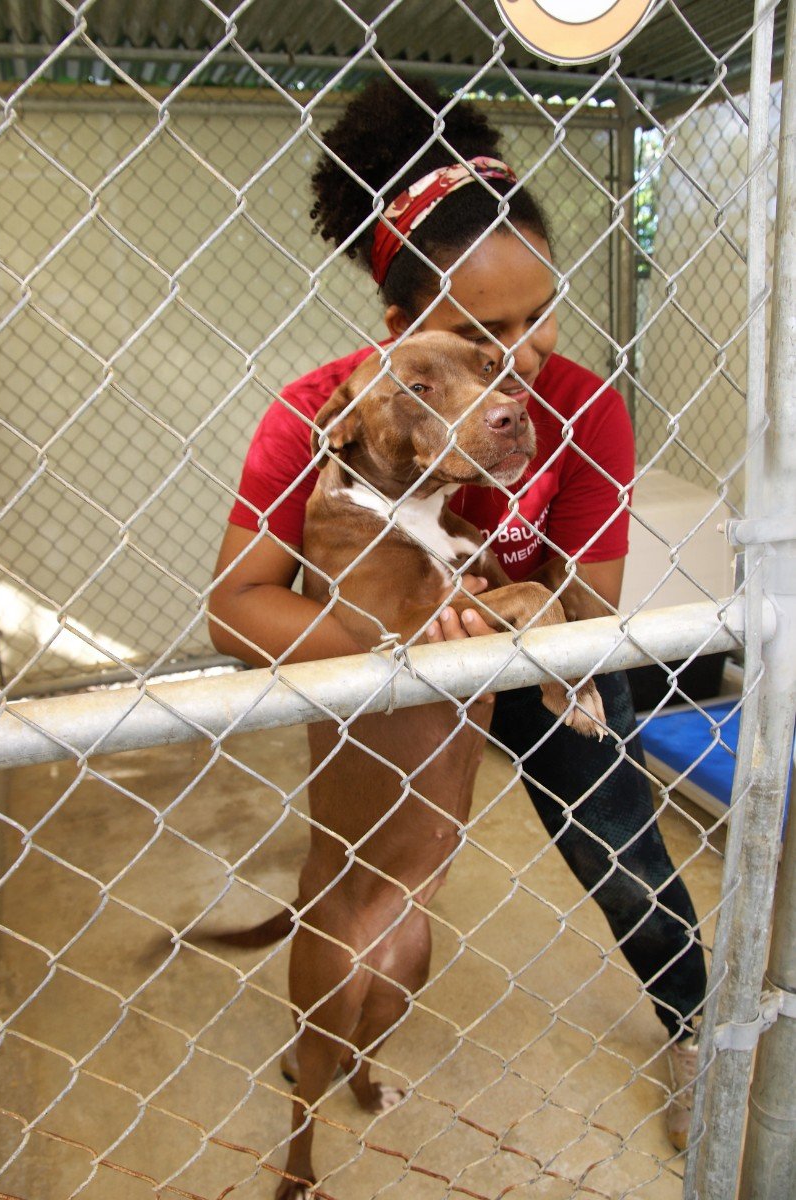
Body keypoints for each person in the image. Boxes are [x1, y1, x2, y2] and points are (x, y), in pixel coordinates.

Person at [208, 77, 706, 1152]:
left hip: (531, 651)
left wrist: (500, 633)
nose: (519, 358)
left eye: (537, 316)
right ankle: (320, 1043)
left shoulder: (580, 406)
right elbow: (237, 609)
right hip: (386, 658)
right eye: (481, 332)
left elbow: (588, 609)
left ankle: (692, 1021)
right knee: (361, 879)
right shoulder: (326, 408)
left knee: (622, 850)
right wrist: (395, 650)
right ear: (401, 326)